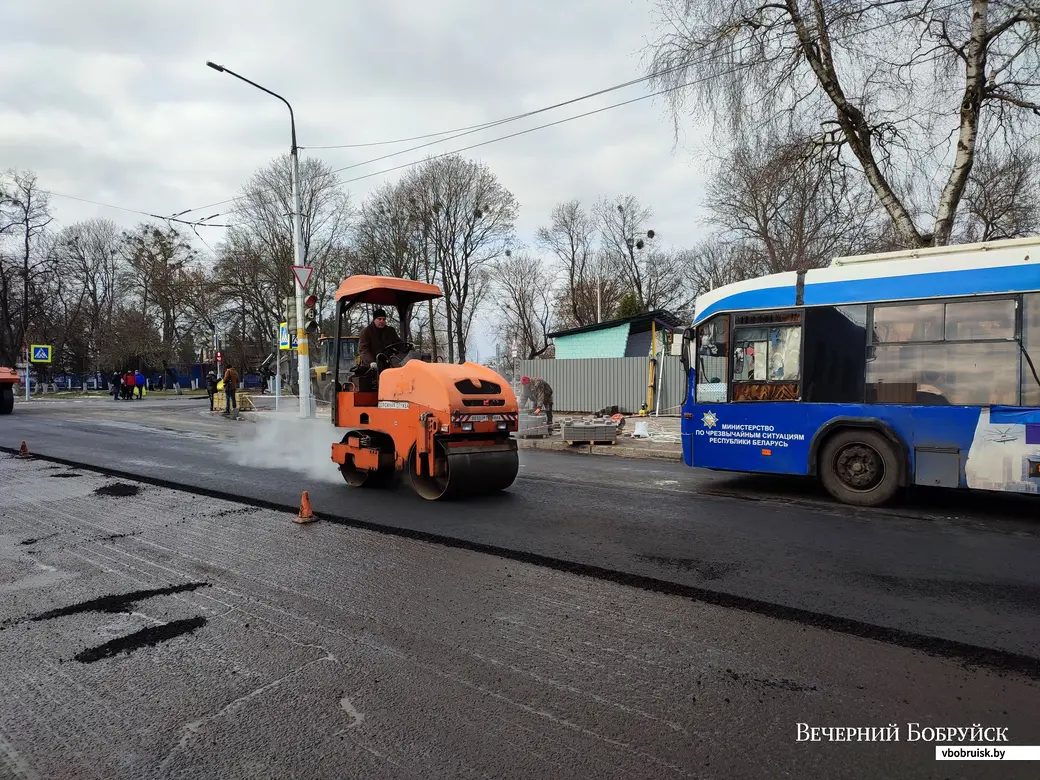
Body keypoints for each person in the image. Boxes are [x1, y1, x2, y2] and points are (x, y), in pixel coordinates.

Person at [358, 308, 402, 374]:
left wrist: (408, 347)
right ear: (374, 320)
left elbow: (398, 343)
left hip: (387, 361)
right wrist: (371, 362)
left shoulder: (390, 331)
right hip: (372, 365)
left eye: (384, 319)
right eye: (379, 319)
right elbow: (363, 349)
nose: (382, 321)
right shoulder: (366, 331)